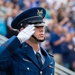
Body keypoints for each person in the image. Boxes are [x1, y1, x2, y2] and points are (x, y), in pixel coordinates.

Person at [0, 7, 55, 75]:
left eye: (42, 26)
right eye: (36, 26)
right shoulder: (14, 54)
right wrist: (17, 40)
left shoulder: (49, 59)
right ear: (23, 30)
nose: (42, 29)